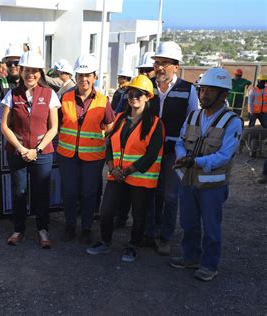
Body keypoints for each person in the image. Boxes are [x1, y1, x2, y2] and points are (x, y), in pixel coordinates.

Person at [170, 67, 242, 281]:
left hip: (212, 186)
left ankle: (209, 265)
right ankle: (190, 256)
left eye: (211, 91)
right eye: (203, 90)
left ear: (224, 95)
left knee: (211, 227)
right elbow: (181, 141)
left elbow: (224, 156)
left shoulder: (233, 122)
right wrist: (182, 156)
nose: (204, 94)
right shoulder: (193, 116)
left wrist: (195, 161)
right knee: (188, 223)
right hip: (188, 181)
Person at [87, 75, 163, 262]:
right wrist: (113, 169)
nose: (133, 97)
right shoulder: (120, 118)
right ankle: (105, 242)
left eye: (139, 93)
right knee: (106, 211)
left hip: (139, 178)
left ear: (148, 97)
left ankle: (132, 246)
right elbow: (110, 146)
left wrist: (126, 171)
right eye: (130, 93)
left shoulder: (155, 124)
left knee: (138, 215)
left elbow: (151, 155)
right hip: (117, 175)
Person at [144, 41, 199, 255]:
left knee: (169, 196)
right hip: (148, 150)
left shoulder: (188, 89)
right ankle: (149, 232)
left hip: (173, 151)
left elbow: (192, 120)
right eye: (157, 62)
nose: (159, 67)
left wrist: (187, 151)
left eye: (164, 63)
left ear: (176, 66)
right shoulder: (147, 86)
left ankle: (165, 236)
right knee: (149, 192)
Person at [1, 51, 60, 248]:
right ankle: (18, 229)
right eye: (27, 70)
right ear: (21, 71)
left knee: (41, 192)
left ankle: (42, 230)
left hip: (42, 153)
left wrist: (37, 150)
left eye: (34, 71)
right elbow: (4, 126)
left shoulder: (49, 94)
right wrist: (21, 148)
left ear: (40, 72)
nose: (30, 74)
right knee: (19, 191)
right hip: (18, 152)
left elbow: (54, 127)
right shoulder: (12, 94)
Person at [57, 54, 115, 245]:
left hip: (93, 156)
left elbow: (110, 127)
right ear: (76, 76)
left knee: (89, 193)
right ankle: (70, 225)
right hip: (68, 155)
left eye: (88, 75)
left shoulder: (102, 100)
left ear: (94, 76)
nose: (84, 79)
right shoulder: (64, 98)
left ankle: (87, 228)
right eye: (81, 75)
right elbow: (55, 124)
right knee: (69, 192)